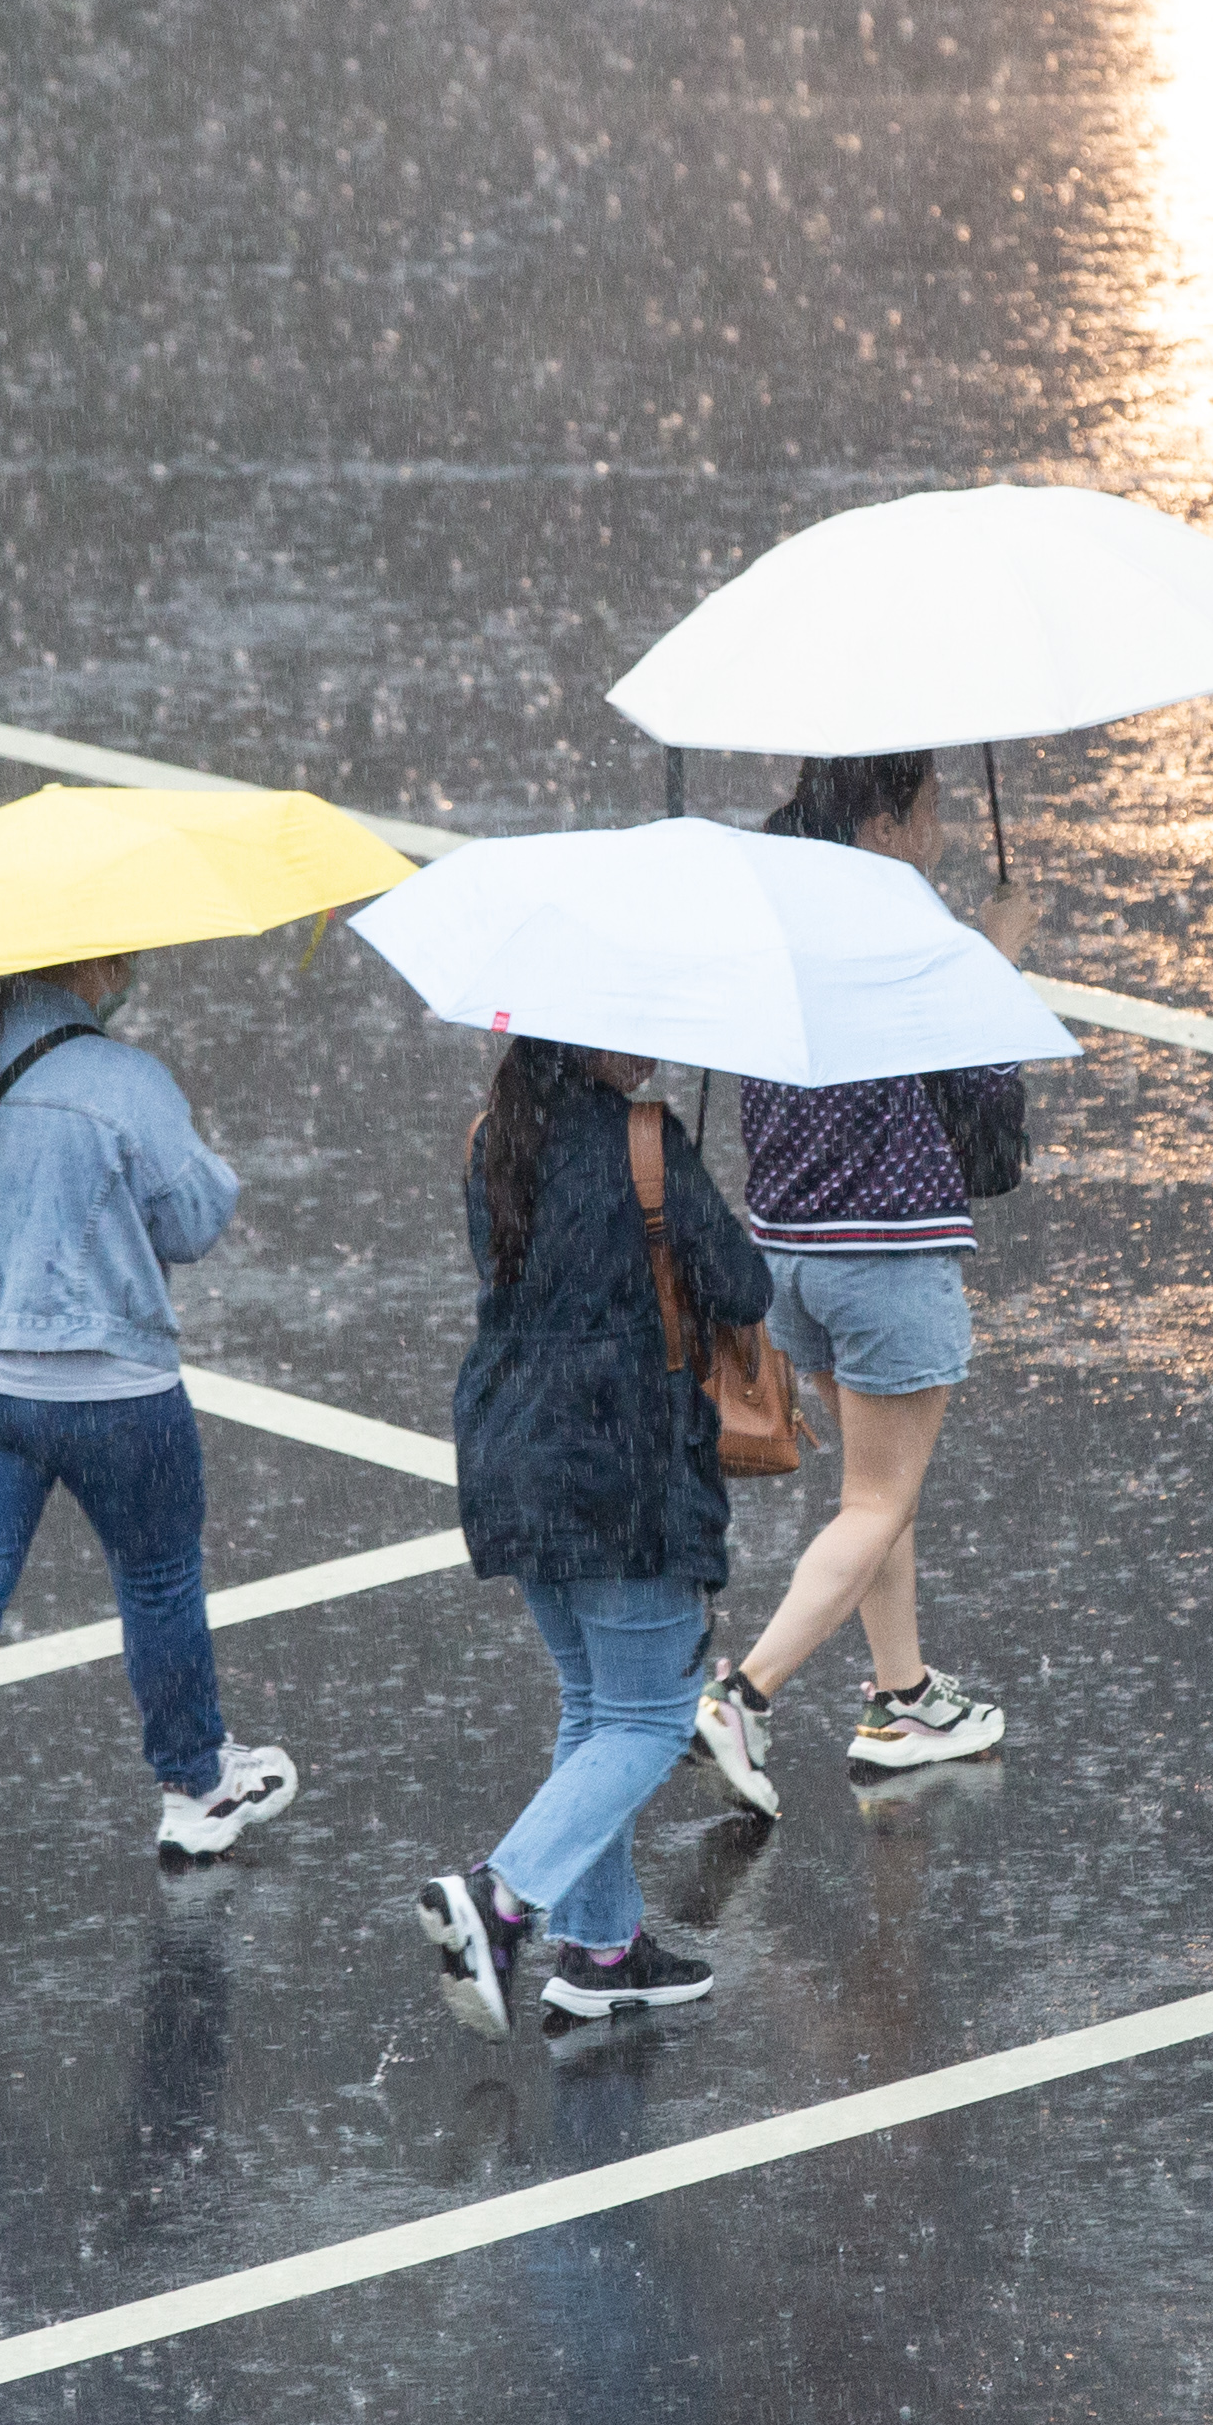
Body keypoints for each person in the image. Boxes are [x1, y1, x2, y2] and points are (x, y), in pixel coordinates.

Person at [0, 954, 299, 1923]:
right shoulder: (125, 1082)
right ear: (85, 965)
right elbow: (195, 1222)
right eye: (122, 952)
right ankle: (195, 1785)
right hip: (113, 1388)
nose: (133, 965)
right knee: (158, 1578)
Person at [686, 752, 1039, 1815]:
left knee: (877, 1496)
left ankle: (906, 1699)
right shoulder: (905, 927)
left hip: (788, 1251)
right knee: (879, 1499)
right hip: (886, 1254)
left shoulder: (780, 919)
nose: (938, 832)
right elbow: (982, 1075)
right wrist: (998, 956)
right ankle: (744, 1695)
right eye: (929, 812)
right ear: (882, 826)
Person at [419, 1036, 774, 2035]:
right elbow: (744, 1293)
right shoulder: (646, 1143)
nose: (655, 1048)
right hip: (620, 1464)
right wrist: (689, 1210)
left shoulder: (495, 1138)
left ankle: (602, 1948)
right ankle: (499, 1898)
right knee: (650, 1722)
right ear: (589, 1037)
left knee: (594, 1707)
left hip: (511, 1451)